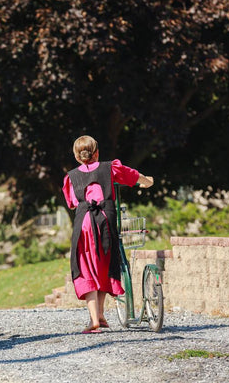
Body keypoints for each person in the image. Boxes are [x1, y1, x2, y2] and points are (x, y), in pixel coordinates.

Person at [62, 135, 153, 333]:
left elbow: (71, 202)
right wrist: (147, 181)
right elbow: (133, 176)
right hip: (105, 219)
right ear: (97, 153)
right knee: (104, 263)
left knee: (86, 268)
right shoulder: (110, 168)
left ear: (77, 157)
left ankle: (96, 318)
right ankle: (99, 315)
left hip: (84, 223)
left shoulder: (70, 177)